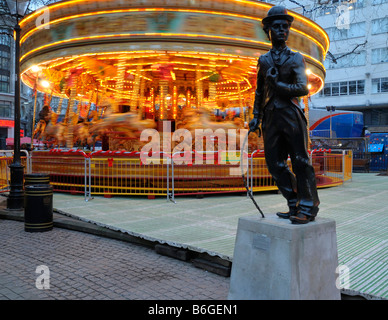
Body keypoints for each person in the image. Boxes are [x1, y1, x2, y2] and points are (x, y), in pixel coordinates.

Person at [249, 6, 320, 224]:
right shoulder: (263, 60)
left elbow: (302, 88)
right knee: (274, 164)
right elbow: (260, 91)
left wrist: (277, 84)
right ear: (268, 30)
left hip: (291, 114)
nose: (282, 31)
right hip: (271, 116)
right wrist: (256, 116)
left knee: (300, 161)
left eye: (285, 27)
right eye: (277, 27)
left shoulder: (296, 58)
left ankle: (307, 208)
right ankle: (293, 202)